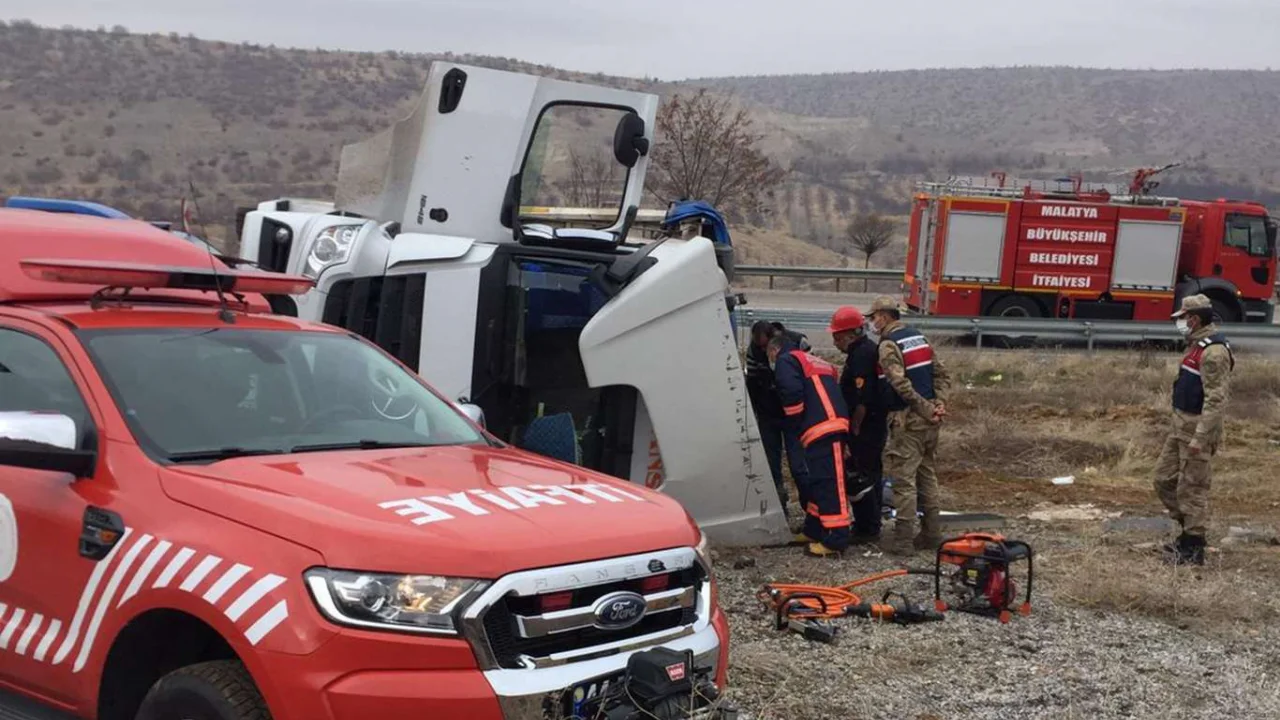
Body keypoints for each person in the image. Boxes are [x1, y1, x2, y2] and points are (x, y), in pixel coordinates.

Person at [1153, 294, 1234, 566]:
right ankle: (1188, 529)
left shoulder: (1214, 353)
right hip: (1180, 427)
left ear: (1195, 318)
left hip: (1196, 431)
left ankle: (1193, 545)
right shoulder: (1197, 346)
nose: (1180, 323)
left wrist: (1201, 437)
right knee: (1163, 479)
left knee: (1193, 488)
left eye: (1183, 318)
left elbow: (1216, 400)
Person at [868, 295, 951, 555]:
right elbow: (940, 373)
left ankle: (903, 541)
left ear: (884, 316)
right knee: (927, 475)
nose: (872, 323)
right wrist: (938, 404)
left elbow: (899, 384)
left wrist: (925, 408)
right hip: (930, 422)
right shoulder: (918, 337)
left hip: (908, 420)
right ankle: (932, 534)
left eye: (873, 318)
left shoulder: (888, 344)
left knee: (903, 481)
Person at [767, 332, 852, 557]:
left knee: (831, 483)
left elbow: (791, 391)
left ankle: (837, 539)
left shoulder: (787, 359)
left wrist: (793, 421)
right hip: (828, 424)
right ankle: (814, 529)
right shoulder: (816, 361)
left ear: (774, 350)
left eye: (770, 356)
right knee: (818, 481)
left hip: (823, 426)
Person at [829, 306, 888, 545]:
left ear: (849, 335)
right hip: (871, 424)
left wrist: (855, 427)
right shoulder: (862, 351)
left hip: (867, 426)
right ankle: (870, 523)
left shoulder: (862, 355)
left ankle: (867, 527)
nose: (835, 343)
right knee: (871, 474)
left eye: (837, 337)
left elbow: (863, 397)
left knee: (862, 477)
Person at [744, 320, 811, 521]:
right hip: (768, 416)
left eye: (766, 347)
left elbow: (810, 378)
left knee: (799, 466)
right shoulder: (754, 350)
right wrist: (755, 414)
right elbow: (752, 383)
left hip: (794, 417)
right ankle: (780, 512)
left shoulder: (798, 342)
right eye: (760, 347)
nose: (764, 351)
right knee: (771, 467)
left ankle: (811, 510)